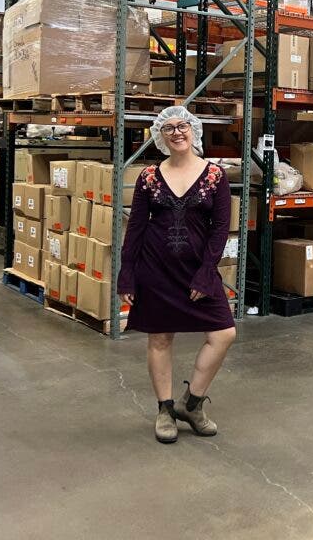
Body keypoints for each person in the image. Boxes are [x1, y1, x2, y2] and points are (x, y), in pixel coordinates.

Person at [118, 105, 237, 444]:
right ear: (160, 136)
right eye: (168, 128)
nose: (176, 132)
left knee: (223, 334)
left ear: (193, 130)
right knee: (159, 338)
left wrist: (205, 274)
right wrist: (127, 274)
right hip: (155, 268)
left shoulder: (215, 175)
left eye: (182, 125)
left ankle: (192, 403)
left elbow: (220, 230)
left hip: (198, 271)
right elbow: (137, 227)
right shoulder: (149, 177)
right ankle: (165, 410)